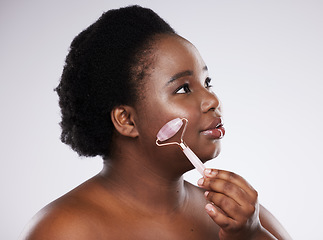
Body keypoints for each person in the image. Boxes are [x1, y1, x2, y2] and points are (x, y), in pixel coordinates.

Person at [19, 5, 292, 240]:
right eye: (184, 88)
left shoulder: (239, 217)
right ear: (127, 120)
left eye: (207, 82)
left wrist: (251, 234)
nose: (212, 98)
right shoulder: (64, 229)